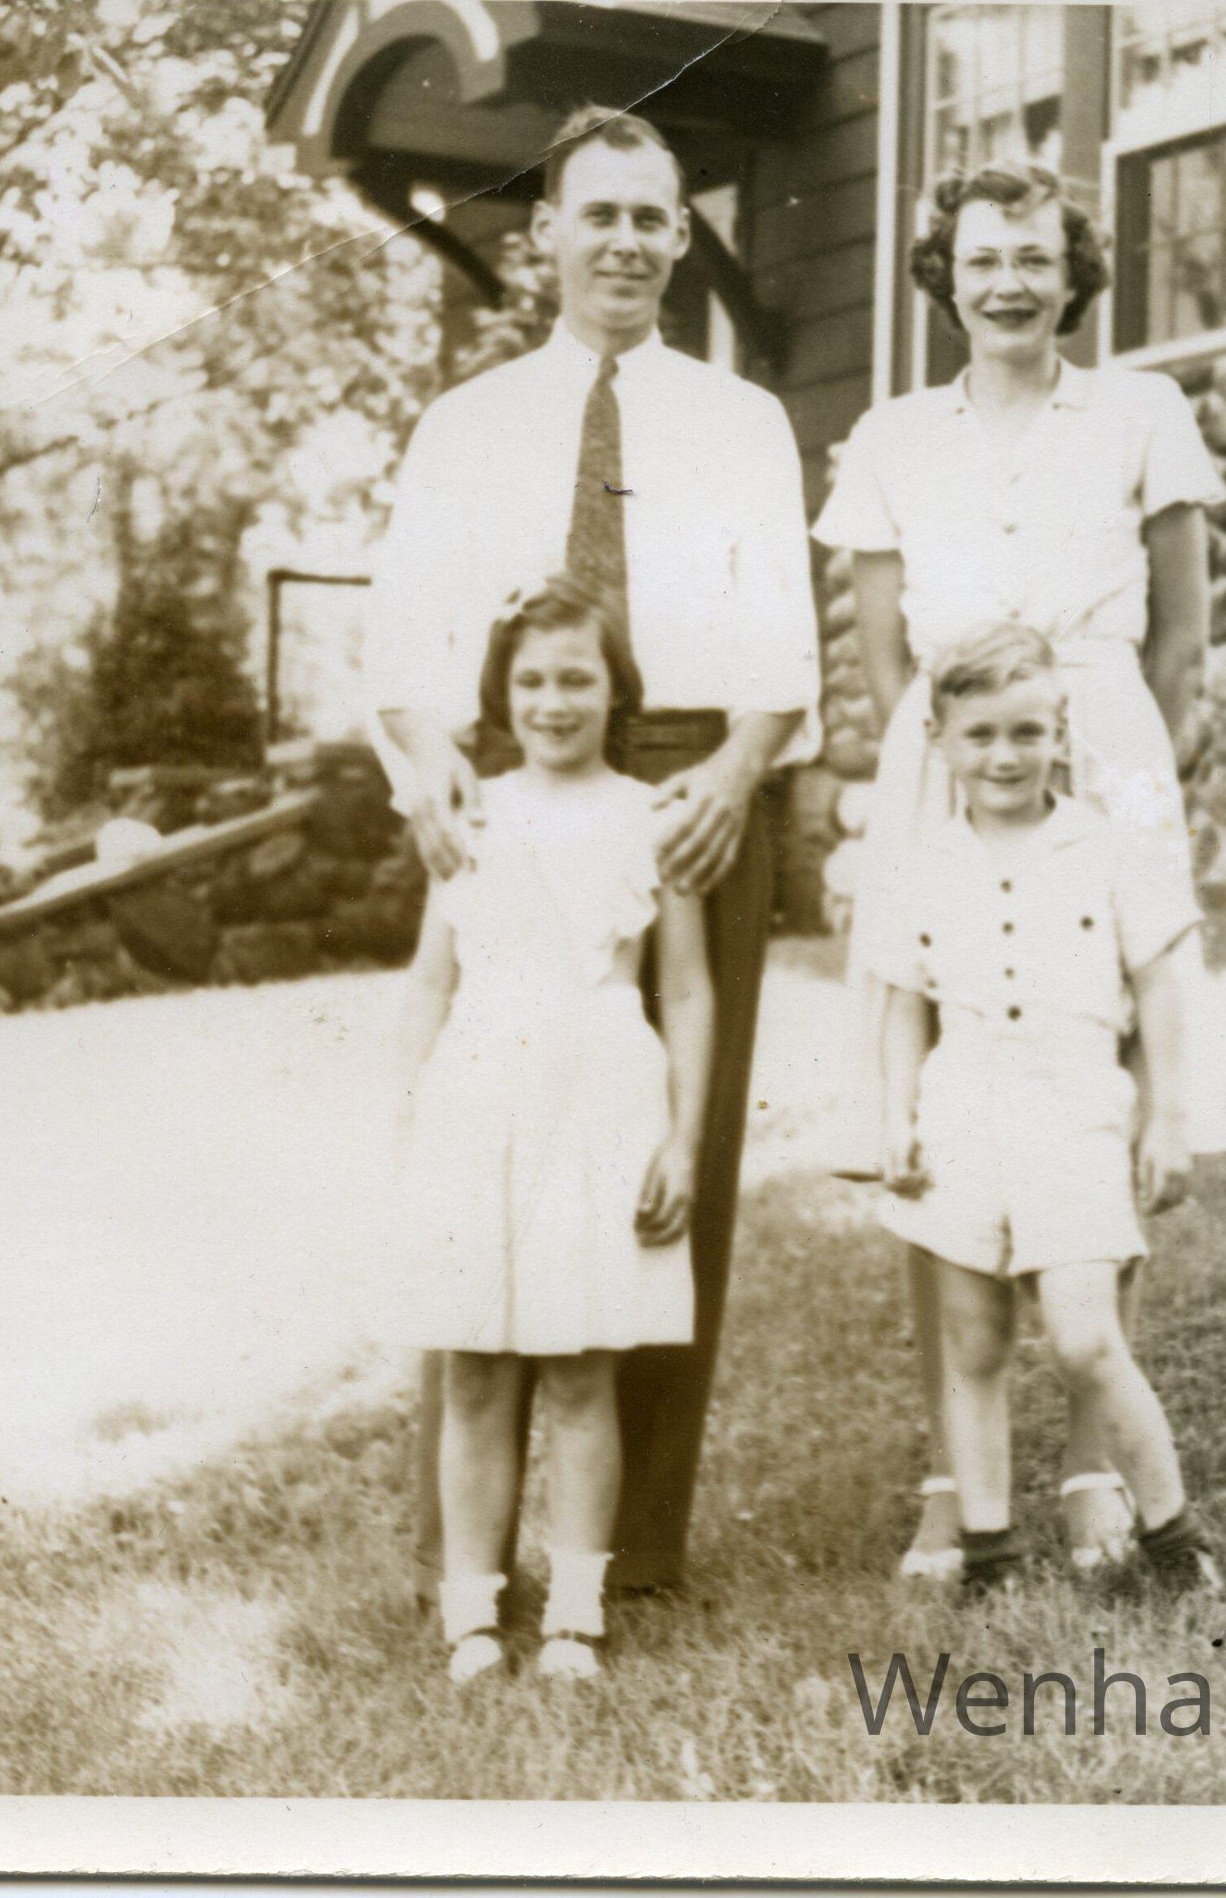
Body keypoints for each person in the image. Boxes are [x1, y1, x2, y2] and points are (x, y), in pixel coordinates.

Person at [367, 104, 820, 1597]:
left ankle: (628, 1550)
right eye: (598, 214)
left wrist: (739, 772)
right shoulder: (469, 423)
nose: (624, 241)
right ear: (545, 234)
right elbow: (403, 640)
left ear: (682, 238)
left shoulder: (741, 420)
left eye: (650, 216)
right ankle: (465, 1554)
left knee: (665, 1155)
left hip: (694, 779)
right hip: (514, 770)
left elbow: (786, 646)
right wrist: (431, 761)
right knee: (489, 1148)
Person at [812, 159, 1226, 1582]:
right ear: (946, 274)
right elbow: (885, 653)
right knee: (944, 1080)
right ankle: (957, 1472)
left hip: (1103, 730)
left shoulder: (1141, 411)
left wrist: (1134, 788)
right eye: (983, 258)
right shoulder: (892, 433)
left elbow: (1183, 639)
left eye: (1036, 258)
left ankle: (1096, 1465)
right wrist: (932, 770)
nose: (1009, 282)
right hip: (947, 749)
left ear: (1074, 273)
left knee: (1094, 1062)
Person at [391, 579, 713, 1683]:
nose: (553, 701)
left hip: (601, 1097)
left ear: (618, 688)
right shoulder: (469, 810)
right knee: (475, 1367)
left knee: (581, 1366)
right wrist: (412, 1114)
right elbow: (429, 981)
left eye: (578, 677)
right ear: (501, 693)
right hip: (479, 1095)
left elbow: (690, 989)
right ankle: (471, 1615)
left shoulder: (652, 816)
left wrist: (682, 1141)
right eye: (530, 680)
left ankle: (576, 1613)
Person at [870, 623, 1226, 1597]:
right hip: (960, 1116)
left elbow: (1159, 986)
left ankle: (1173, 1534)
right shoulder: (918, 866)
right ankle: (989, 1551)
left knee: (1083, 1336)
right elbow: (902, 1006)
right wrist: (897, 1117)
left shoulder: (1106, 849)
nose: (1005, 756)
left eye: (1028, 732)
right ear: (940, 740)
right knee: (973, 1342)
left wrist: (1167, 1117)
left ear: (1061, 734)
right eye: (981, 734)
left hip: (1073, 1114)